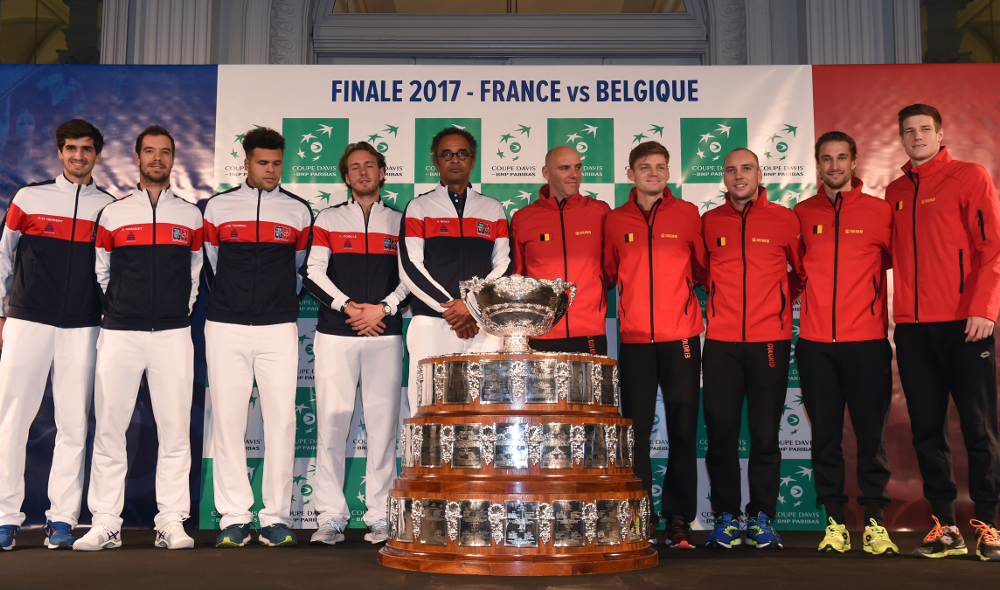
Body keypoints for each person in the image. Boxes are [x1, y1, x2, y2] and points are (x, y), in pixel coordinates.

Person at [72, 125, 202, 551]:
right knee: (110, 429)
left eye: (165, 152)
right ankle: (106, 522)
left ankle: (170, 521)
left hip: (172, 334)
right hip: (121, 333)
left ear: (173, 159)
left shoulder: (190, 215)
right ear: (137, 158)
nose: (157, 159)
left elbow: (196, 273)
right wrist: (120, 308)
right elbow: (101, 270)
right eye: (150, 152)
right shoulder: (113, 213)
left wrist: (177, 311)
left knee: (175, 431)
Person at [888, 103, 1000, 562]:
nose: (917, 137)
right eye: (908, 131)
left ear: (939, 133)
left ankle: (990, 524)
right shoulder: (895, 190)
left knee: (979, 428)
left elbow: (993, 247)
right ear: (900, 137)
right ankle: (944, 525)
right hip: (914, 330)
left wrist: (984, 309)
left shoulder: (970, 176)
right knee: (927, 432)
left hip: (966, 325)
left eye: (924, 129)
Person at [0, 119, 114, 550]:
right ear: (59, 152)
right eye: (70, 148)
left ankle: (62, 520)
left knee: (73, 425)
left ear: (98, 154)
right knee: (12, 420)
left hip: (83, 326)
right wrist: (0, 315)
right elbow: (3, 256)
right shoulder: (29, 197)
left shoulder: (109, 206)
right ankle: (5, 517)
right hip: (27, 320)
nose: (78, 156)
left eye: (86, 149)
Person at [203, 127, 312, 548]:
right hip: (225, 325)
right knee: (229, 421)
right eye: (263, 162)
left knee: (282, 421)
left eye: (277, 163)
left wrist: (277, 303)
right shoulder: (217, 207)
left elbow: (300, 269)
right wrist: (232, 303)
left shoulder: (298, 211)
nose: (271, 170)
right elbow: (209, 266)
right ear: (246, 163)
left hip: (278, 326)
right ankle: (234, 516)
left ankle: (276, 518)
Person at [794, 131, 897, 555]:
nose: (834, 166)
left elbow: (897, 263)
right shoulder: (800, 214)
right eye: (826, 159)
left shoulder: (880, 212)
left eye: (841, 158)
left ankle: (875, 523)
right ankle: (833, 523)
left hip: (867, 342)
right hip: (816, 343)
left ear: (855, 162)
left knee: (872, 437)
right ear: (817, 165)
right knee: (825, 439)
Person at [302, 142, 408, 546]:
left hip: (385, 333)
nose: (363, 173)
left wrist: (383, 308)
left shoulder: (400, 221)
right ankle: (330, 515)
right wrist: (349, 308)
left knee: (383, 429)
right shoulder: (328, 218)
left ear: (382, 173)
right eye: (354, 168)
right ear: (345, 178)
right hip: (335, 334)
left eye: (370, 166)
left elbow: (410, 275)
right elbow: (313, 272)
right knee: (332, 425)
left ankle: (380, 515)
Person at [603, 141, 707, 547]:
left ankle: (679, 519)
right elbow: (610, 271)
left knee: (683, 431)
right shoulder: (614, 220)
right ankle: (640, 517)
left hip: (681, 337)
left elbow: (701, 267)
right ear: (630, 174)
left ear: (668, 172)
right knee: (636, 433)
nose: (653, 173)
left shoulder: (688, 215)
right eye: (644, 167)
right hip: (635, 342)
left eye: (660, 166)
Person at [701, 148, 804, 550]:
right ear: (723, 177)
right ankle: (727, 516)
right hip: (722, 342)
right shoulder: (709, 222)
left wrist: (776, 303)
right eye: (731, 170)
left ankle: (762, 516)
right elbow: (699, 271)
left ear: (760, 173)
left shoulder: (784, 219)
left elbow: (802, 271)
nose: (738, 176)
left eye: (746, 169)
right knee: (721, 435)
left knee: (765, 435)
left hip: (770, 342)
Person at [399, 128, 510, 412]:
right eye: (446, 154)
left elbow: (505, 265)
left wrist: (471, 307)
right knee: (425, 408)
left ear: (473, 161)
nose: (455, 159)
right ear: (436, 162)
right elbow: (410, 266)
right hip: (431, 322)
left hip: (482, 326)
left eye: (462, 153)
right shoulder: (419, 207)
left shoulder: (492, 208)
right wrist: (452, 309)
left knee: (483, 411)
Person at [511, 145, 611, 354]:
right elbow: (519, 276)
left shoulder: (600, 211)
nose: (574, 175)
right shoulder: (524, 218)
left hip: (589, 331)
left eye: (578, 167)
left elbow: (611, 268)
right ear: (546, 173)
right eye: (565, 168)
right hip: (540, 332)